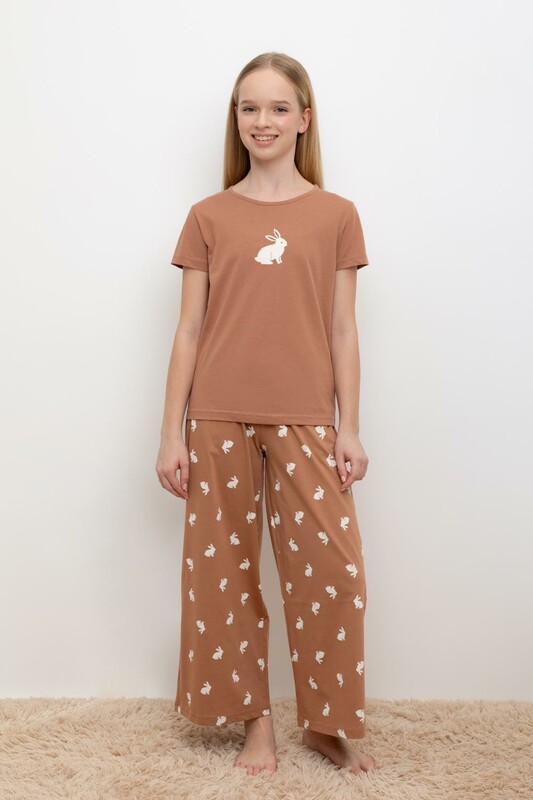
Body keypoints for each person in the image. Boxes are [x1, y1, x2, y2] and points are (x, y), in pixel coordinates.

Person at [156, 51, 379, 778]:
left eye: (278, 107)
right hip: (217, 417)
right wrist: (170, 434)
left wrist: (348, 427)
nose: (263, 121)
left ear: (303, 119)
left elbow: (343, 330)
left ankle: (326, 724)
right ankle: (256, 725)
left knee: (334, 574)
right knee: (224, 577)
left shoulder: (336, 215)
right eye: (249, 107)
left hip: (306, 419)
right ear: (236, 118)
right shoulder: (208, 216)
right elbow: (189, 330)